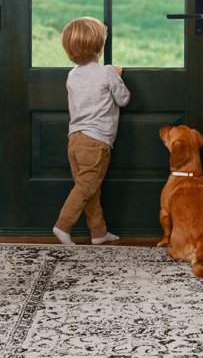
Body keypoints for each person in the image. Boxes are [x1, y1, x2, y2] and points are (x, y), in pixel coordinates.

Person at [52, 16, 131, 246]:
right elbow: (123, 99)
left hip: (75, 139)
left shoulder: (72, 75)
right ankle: (63, 225)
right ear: (100, 46)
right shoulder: (106, 72)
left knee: (90, 189)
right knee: (86, 186)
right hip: (96, 141)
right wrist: (117, 75)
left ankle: (98, 232)